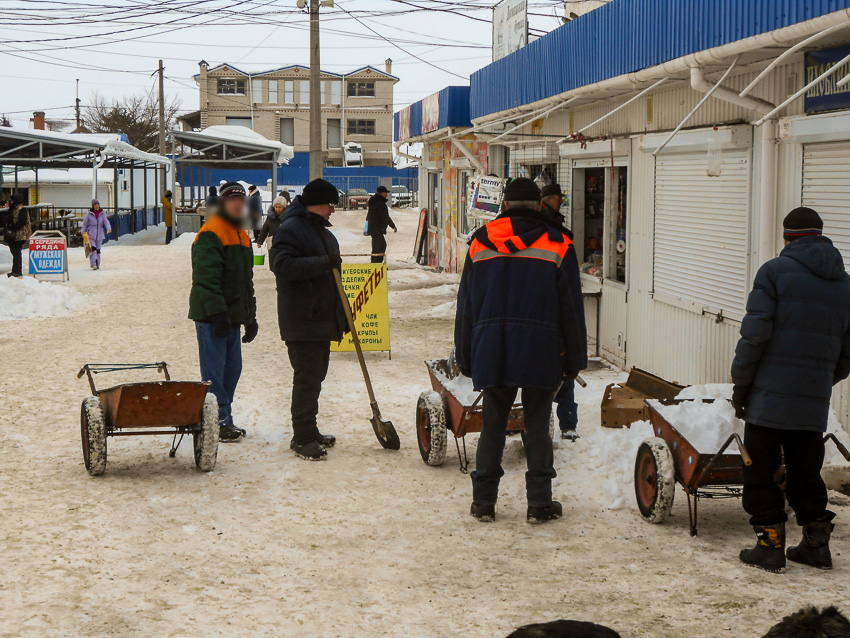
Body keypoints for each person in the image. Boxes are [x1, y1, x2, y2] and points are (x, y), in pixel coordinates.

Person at [455, 177, 587, 523]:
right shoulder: (558, 244)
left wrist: (466, 353)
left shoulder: (480, 243)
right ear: (539, 205)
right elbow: (571, 308)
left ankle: (483, 502)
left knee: (494, 423)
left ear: (506, 206)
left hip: (492, 346)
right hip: (539, 348)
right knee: (538, 423)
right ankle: (539, 503)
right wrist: (574, 360)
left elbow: (466, 306)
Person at [733, 207, 850, 573]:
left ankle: (769, 547)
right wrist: (819, 381)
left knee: (761, 470)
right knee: (805, 469)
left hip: (768, 397)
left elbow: (754, 336)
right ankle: (816, 547)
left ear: (787, 237)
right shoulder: (845, 283)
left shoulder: (773, 273)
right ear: (820, 236)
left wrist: (743, 384)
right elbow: (847, 352)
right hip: (812, 399)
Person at [271, 178, 346, 461]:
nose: (333, 210)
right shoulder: (292, 229)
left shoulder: (316, 229)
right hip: (302, 319)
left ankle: (309, 430)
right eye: (330, 205)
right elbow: (281, 265)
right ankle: (302, 437)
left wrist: (341, 316)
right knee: (307, 379)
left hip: (319, 318)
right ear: (318, 204)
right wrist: (323, 263)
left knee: (315, 377)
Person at [189, 181, 258, 443]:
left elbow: (245, 281)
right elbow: (205, 279)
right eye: (232, 199)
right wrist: (217, 313)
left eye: (241, 199)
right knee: (214, 373)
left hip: (232, 318)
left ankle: (224, 417)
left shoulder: (241, 234)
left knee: (232, 370)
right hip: (212, 317)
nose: (238, 203)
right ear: (223, 202)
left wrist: (250, 318)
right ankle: (216, 421)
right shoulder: (212, 232)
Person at [539, 183, 579, 442]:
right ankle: (558, 422)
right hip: (546, 308)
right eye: (559, 199)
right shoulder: (544, 223)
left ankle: (567, 423)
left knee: (565, 368)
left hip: (554, 310)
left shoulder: (556, 224)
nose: (561, 203)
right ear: (548, 199)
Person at [366, 185, 396, 264]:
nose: (386, 194)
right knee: (380, 246)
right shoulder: (380, 203)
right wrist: (393, 226)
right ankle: (376, 264)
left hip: (374, 228)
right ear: (382, 193)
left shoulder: (374, 201)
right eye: (385, 193)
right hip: (377, 228)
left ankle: (376, 263)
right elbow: (385, 216)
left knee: (378, 246)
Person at [81, 199, 112, 270]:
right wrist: (83, 231)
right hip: (91, 233)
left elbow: (105, 221)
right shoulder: (89, 214)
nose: (97, 206)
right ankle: (93, 263)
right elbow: (85, 224)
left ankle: (98, 263)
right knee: (93, 249)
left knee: (98, 249)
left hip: (100, 234)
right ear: (93, 206)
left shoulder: (102, 213)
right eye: (95, 205)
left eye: (98, 205)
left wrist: (108, 228)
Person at [4, 193, 30, 277]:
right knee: (15, 252)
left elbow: (22, 221)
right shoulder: (14, 209)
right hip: (16, 234)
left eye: (12, 200)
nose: (10, 202)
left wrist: (13, 227)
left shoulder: (21, 209)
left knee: (16, 252)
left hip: (20, 234)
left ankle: (17, 271)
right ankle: (15, 270)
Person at [257, 196, 287, 269]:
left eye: (280, 207)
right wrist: (260, 241)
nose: (277, 209)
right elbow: (264, 230)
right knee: (274, 264)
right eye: (276, 207)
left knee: (284, 263)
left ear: (284, 207)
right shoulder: (270, 217)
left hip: (285, 243)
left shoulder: (288, 217)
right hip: (272, 243)